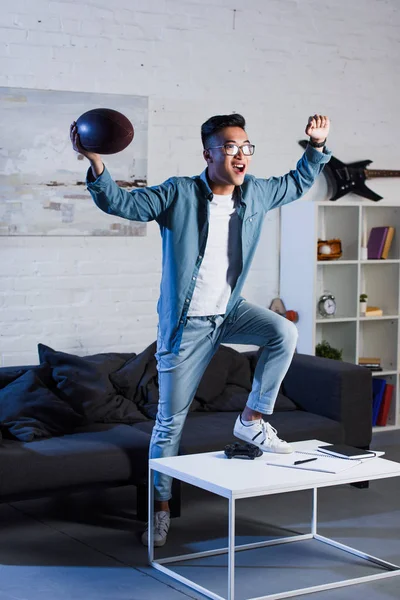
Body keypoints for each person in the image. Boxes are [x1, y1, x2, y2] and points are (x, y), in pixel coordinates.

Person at [70, 112, 331, 547]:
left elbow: (298, 182)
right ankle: (160, 509)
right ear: (208, 153)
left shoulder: (258, 194)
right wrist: (96, 161)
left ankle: (252, 420)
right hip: (185, 325)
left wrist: (317, 146)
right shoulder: (179, 194)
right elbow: (123, 204)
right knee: (170, 424)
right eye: (229, 146)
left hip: (229, 310)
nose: (240, 154)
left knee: (283, 333)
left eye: (245, 146)